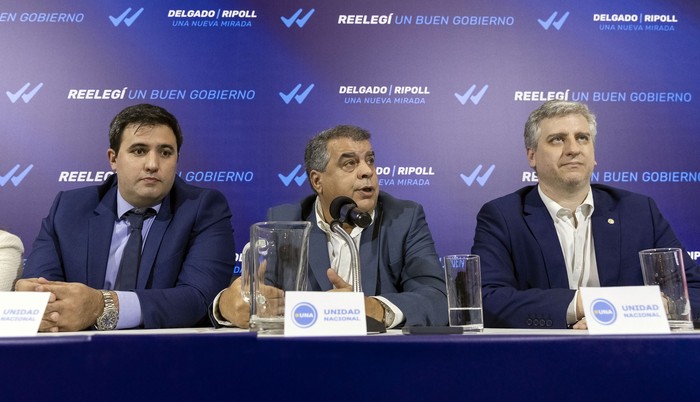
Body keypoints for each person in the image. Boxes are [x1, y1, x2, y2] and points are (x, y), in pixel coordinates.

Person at [472, 100, 700, 329]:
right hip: (541, 356)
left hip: (631, 353)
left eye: (582, 138)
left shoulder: (639, 212)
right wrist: (583, 303)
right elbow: (487, 299)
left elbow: (694, 290)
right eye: (557, 139)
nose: (573, 149)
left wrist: (659, 307)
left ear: (593, 152)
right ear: (532, 156)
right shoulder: (503, 217)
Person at [17, 104, 236, 331]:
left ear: (177, 159)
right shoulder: (69, 208)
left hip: (167, 354)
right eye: (139, 151)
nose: (152, 164)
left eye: (165, 153)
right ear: (113, 158)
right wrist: (37, 300)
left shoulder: (204, 208)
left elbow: (199, 299)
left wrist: (101, 306)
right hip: (75, 352)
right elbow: (39, 291)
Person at [211, 125, 448, 328]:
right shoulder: (288, 221)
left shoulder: (404, 218)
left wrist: (372, 308)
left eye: (370, 160)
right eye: (349, 163)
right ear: (317, 181)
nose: (367, 172)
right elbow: (259, 297)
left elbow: (437, 299)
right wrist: (227, 305)